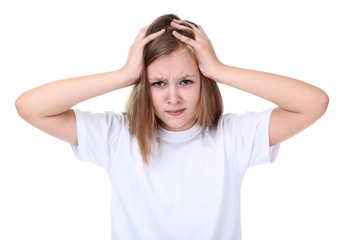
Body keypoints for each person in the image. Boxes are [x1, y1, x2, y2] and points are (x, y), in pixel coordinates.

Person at [15, 14, 329, 240]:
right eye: (158, 83)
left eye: (187, 81)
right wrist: (124, 75)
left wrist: (220, 69)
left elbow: (314, 103)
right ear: (143, 84)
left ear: (204, 81)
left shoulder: (233, 137)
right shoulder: (117, 136)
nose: (173, 96)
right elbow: (29, 107)